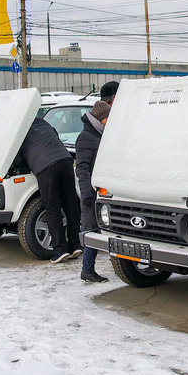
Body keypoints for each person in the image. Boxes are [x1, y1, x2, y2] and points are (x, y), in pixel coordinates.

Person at [14, 117, 82, 263]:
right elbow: (55, 135)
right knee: (71, 205)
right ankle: (75, 245)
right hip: (65, 160)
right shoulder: (40, 121)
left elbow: (18, 160)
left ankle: (60, 250)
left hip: (46, 168)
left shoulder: (17, 130)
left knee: (52, 208)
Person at [75, 100, 112, 282]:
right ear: (100, 119)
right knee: (92, 230)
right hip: (91, 192)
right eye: (107, 118)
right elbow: (81, 167)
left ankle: (88, 269)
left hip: (100, 191)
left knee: (98, 229)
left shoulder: (98, 134)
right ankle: (87, 270)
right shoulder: (86, 137)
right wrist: (87, 192)